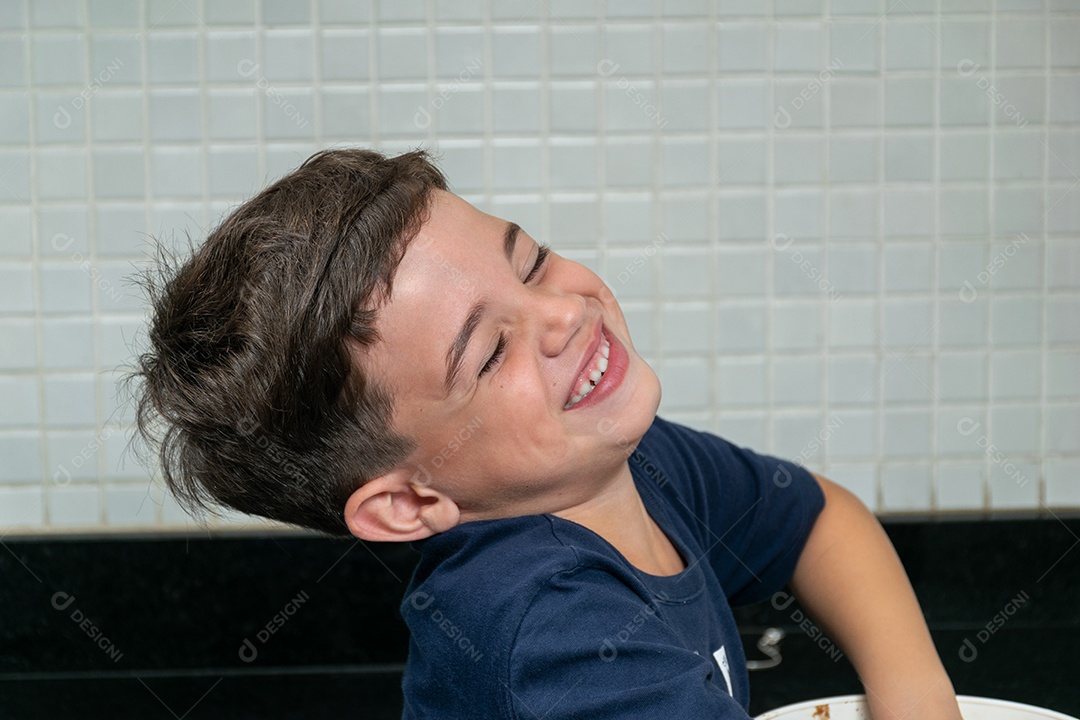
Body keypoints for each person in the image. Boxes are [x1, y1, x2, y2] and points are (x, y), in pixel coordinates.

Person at [134, 148, 962, 719]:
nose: (565, 312)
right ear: (407, 501)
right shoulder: (554, 635)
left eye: (530, 262)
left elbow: (819, 520)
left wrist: (918, 697)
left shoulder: (628, 465)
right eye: (491, 353)